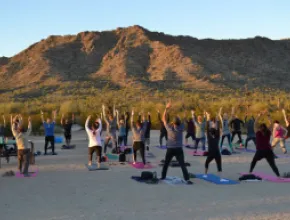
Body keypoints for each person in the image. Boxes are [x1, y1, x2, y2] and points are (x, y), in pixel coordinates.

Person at [160, 102, 192, 184]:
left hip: (170, 149)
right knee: (182, 164)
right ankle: (187, 178)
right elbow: (185, 119)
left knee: (166, 164)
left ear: (173, 123)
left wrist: (166, 108)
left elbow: (163, 119)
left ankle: (163, 177)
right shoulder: (181, 128)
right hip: (178, 149)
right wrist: (185, 110)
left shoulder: (169, 128)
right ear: (179, 122)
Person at [249, 112, 280, 177]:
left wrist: (258, 116)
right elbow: (272, 124)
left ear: (260, 128)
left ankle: (250, 172)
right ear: (266, 128)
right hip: (268, 151)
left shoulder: (258, 132)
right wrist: (268, 117)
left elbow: (255, 124)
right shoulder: (268, 132)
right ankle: (278, 175)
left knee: (254, 161)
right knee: (272, 165)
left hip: (260, 151)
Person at [204, 112, 225, 180]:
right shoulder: (217, 137)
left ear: (210, 132)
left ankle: (205, 174)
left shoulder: (209, 137)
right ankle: (221, 177)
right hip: (217, 153)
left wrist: (207, 117)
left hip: (211, 153)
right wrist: (218, 118)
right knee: (219, 166)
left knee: (207, 163)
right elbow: (218, 127)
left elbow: (207, 127)